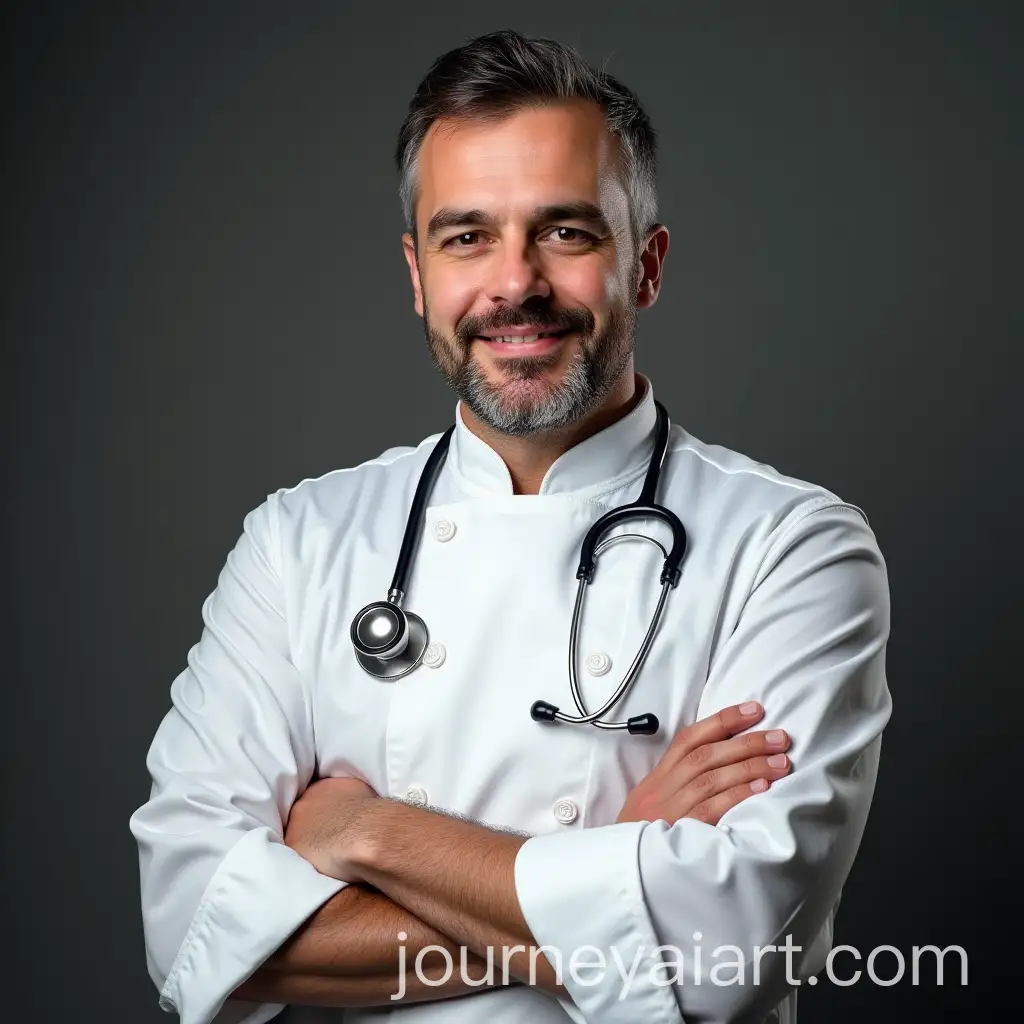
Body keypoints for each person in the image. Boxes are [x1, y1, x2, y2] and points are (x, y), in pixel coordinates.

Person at [129, 28, 892, 1024]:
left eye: (566, 232)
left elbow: (728, 957)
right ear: (416, 273)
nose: (514, 284)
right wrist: (613, 876)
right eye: (466, 236)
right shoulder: (298, 542)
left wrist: (371, 833)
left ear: (646, 265)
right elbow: (191, 931)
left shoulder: (792, 547)